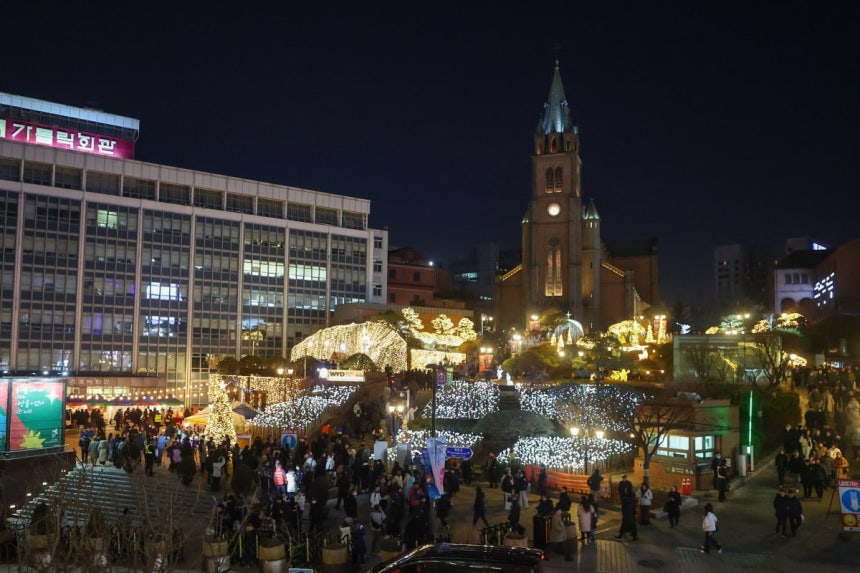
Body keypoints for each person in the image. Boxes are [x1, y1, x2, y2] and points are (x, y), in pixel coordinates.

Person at [615, 474, 638, 541]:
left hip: (628, 512)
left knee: (626, 523)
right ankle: (633, 535)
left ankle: (622, 535)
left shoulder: (627, 496)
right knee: (632, 524)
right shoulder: (622, 484)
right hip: (630, 512)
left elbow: (626, 500)